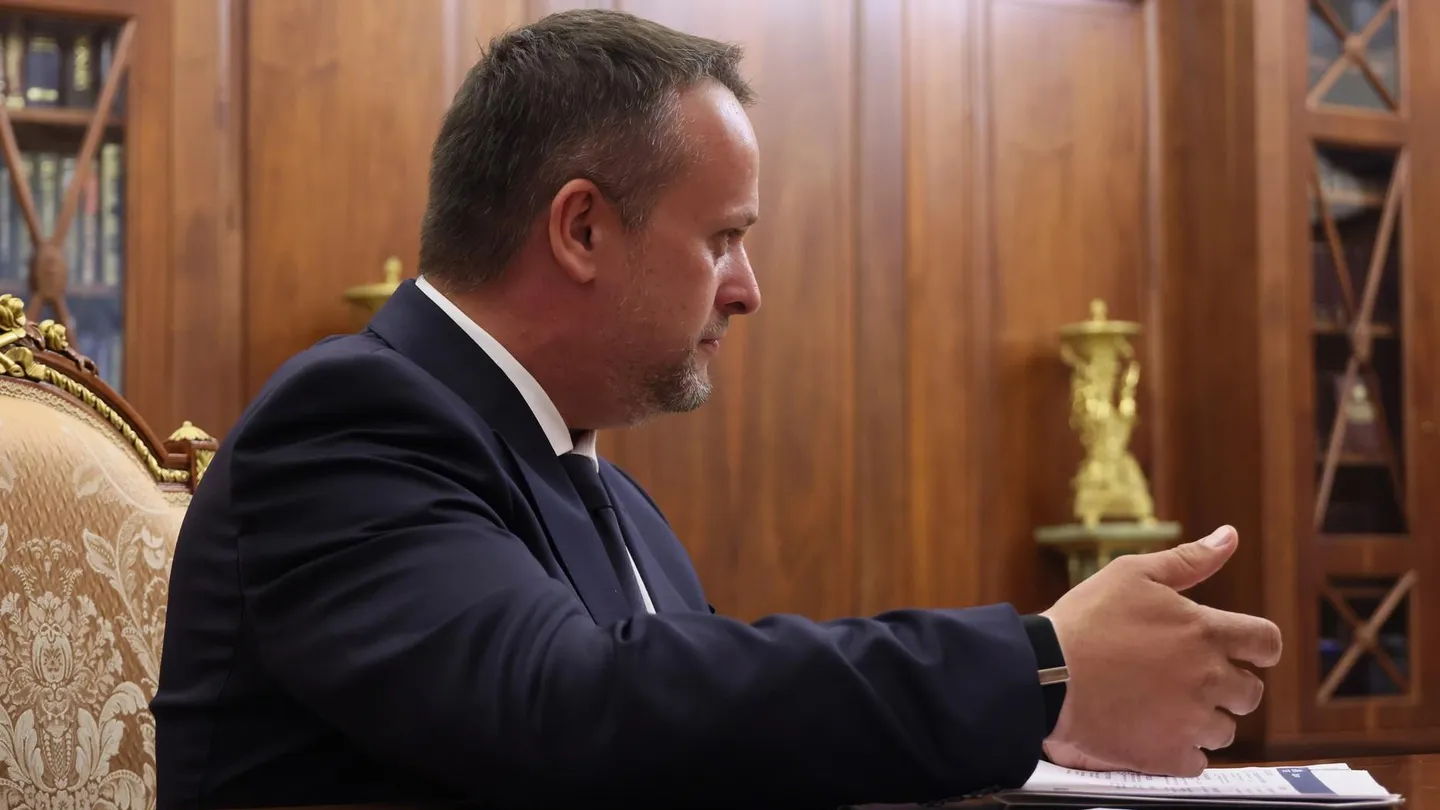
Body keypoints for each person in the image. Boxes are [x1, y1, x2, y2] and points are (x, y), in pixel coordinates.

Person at [152, 8, 1282, 810]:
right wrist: (1040, 668)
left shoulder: (612, 500)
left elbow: (699, 743)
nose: (748, 291)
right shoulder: (348, 424)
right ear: (581, 229)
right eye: (725, 238)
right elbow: (573, 709)